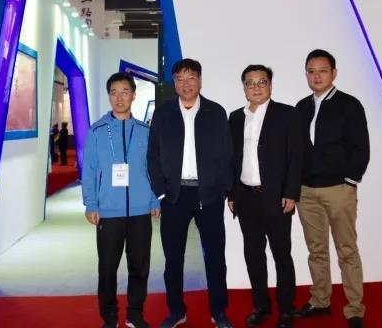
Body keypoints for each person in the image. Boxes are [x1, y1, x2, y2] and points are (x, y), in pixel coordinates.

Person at [147, 58, 234, 328]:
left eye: (191, 77)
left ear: (200, 80)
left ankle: (219, 311)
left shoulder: (216, 112)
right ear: (174, 83)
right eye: (180, 79)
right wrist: (160, 192)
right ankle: (176, 311)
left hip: (208, 195)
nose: (186, 84)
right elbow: (153, 156)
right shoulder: (163, 114)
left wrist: (223, 190)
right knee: (173, 259)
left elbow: (228, 155)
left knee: (215, 257)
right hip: (174, 196)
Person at [294, 49, 370, 328]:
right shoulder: (301, 107)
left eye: (322, 70)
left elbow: (361, 148)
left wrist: (349, 181)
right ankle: (320, 301)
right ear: (306, 75)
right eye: (311, 71)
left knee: (346, 250)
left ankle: (354, 309)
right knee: (316, 250)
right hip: (306, 192)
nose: (317, 76)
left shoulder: (350, 105)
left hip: (338, 190)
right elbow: (295, 150)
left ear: (333, 73)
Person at [82, 72, 161, 328]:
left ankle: (135, 314)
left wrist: (154, 199)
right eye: (114, 93)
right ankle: (109, 317)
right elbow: (89, 170)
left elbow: (152, 169)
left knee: (139, 267)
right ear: (109, 96)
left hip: (140, 211)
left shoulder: (145, 131)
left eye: (125, 92)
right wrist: (91, 203)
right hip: (108, 211)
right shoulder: (96, 131)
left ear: (133, 95)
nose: (119, 98)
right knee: (107, 269)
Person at [227, 65, 302, 328]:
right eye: (250, 83)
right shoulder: (235, 118)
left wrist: (291, 192)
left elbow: (296, 156)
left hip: (277, 197)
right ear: (244, 87)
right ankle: (261, 305)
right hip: (245, 198)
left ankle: (286, 309)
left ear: (270, 85)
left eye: (262, 82)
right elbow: (231, 159)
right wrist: (232, 193)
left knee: (282, 254)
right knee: (254, 255)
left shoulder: (287, 114)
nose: (256, 87)